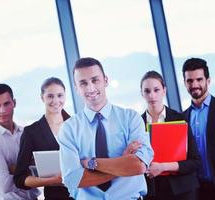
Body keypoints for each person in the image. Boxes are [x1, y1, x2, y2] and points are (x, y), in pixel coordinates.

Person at [58, 57, 154, 200]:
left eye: (95, 80)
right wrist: (122, 161)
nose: (90, 88)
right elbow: (73, 179)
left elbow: (138, 166)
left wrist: (91, 163)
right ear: (76, 88)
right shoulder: (68, 129)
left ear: (106, 80)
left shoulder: (131, 119)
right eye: (83, 83)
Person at [140, 71, 201, 200]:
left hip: (182, 190)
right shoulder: (137, 124)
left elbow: (195, 161)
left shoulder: (180, 119)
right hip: (152, 192)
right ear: (142, 93)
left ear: (164, 91)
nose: (152, 95)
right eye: (147, 91)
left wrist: (163, 167)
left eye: (156, 90)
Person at [0, 83, 40, 200]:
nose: (2, 110)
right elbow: (4, 185)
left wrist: (15, 169)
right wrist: (29, 170)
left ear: (14, 103)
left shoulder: (25, 133)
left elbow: (43, 168)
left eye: (6, 104)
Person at [14, 77, 73, 200]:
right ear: (42, 98)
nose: (56, 101)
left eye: (60, 95)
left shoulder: (76, 125)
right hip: (55, 197)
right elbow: (19, 178)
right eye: (50, 96)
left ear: (65, 96)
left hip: (86, 195)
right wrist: (50, 181)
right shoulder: (31, 132)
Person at [182, 58, 215, 200]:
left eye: (199, 79)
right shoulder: (182, 118)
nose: (195, 85)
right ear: (185, 83)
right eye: (190, 81)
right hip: (197, 190)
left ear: (208, 81)